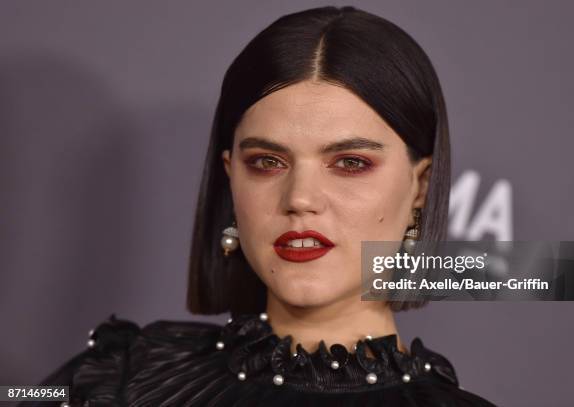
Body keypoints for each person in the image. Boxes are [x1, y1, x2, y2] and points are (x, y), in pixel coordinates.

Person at [23, 6, 496, 406]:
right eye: (267, 161)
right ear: (231, 175)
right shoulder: (119, 374)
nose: (300, 199)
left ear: (421, 185)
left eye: (350, 162)